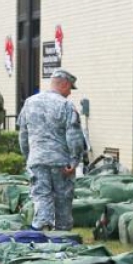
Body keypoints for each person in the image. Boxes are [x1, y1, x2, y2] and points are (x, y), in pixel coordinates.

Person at [18, 68, 86, 231]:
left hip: (37, 160)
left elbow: (22, 135)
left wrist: (29, 156)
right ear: (64, 84)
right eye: (70, 88)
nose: (70, 93)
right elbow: (74, 136)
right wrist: (75, 160)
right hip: (61, 162)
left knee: (41, 197)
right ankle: (63, 237)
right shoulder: (66, 105)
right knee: (63, 200)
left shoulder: (30, 102)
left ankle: (41, 234)